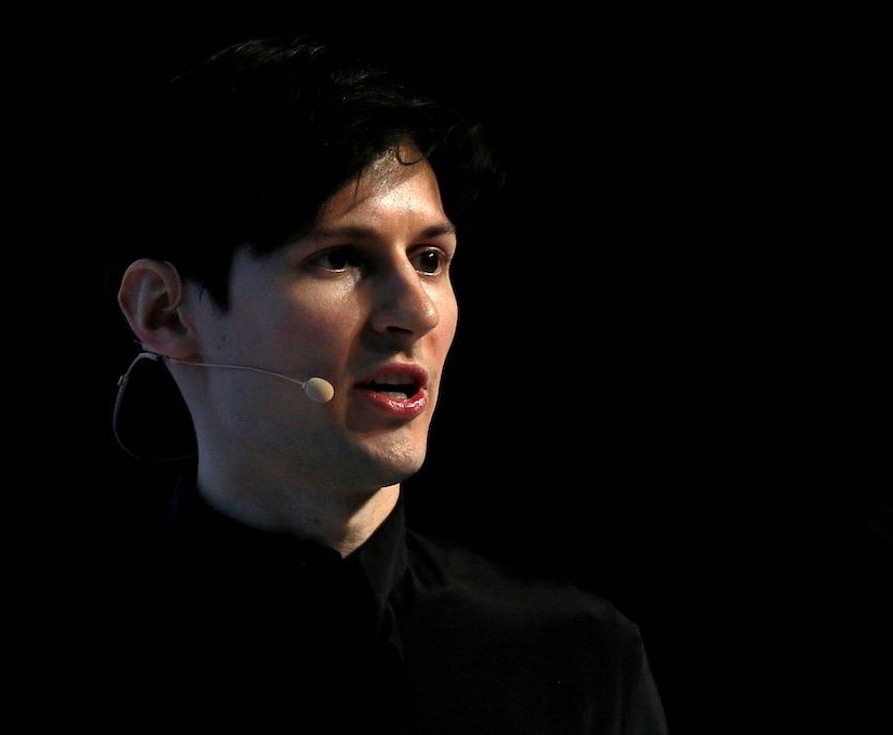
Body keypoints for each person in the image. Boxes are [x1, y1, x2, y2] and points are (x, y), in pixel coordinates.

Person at [93, 35, 669, 734]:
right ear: (163, 309)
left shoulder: (574, 654)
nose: (418, 310)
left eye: (429, 258)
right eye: (340, 258)